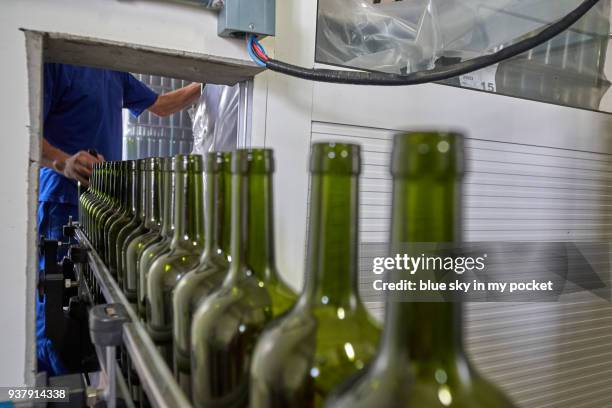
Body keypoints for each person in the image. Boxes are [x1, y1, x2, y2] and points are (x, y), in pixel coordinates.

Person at [38, 63, 201, 375]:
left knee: (90, 296)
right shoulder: (58, 62)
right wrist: (65, 163)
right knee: (54, 306)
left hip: (100, 202)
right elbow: (28, 130)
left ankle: (86, 375)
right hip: (61, 199)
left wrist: (206, 87)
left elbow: (161, 106)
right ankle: (51, 386)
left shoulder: (111, 69)